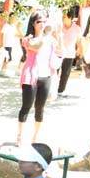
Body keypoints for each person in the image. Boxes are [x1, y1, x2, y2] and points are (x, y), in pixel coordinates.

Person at [16, 13, 55, 146]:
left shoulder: (50, 39)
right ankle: (20, 134)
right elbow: (35, 47)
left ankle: (35, 137)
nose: (42, 24)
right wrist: (46, 36)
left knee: (40, 107)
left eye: (44, 21)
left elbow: (58, 54)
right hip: (31, 75)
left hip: (46, 75)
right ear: (33, 23)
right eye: (39, 21)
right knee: (26, 106)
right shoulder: (28, 39)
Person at [57, 13, 82, 96]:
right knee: (54, 72)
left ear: (70, 17)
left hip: (69, 54)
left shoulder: (77, 28)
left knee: (65, 73)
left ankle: (60, 91)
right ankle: (51, 89)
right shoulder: (59, 27)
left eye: (64, 17)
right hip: (58, 53)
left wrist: (80, 50)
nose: (62, 18)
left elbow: (79, 40)